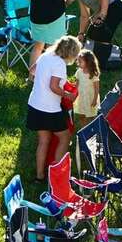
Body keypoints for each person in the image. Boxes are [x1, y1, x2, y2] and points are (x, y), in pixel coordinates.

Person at [27, 35, 81, 181]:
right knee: (65, 137)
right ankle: (56, 175)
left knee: (43, 140)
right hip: (49, 109)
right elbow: (53, 86)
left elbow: (32, 70)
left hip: (34, 104)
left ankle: (40, 175)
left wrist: (42, 79)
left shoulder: (46, 55)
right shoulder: (60, 64)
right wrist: (68, 95)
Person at [71, 0, 122, 73]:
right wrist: (81, 33)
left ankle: (105, 64)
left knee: (103, 34)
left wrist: (101, 16)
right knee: (92, 34)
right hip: (104, 10)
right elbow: (84, 16)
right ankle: (98, 61)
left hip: (116, 7)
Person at [74, 50, 101, 121]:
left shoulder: (93, 74)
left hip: (90, 97)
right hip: (82, 97)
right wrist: (74, 93)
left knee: (91, 114)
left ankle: (92, 127)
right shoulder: (79, 72)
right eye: (78, 61)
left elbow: (96, 88)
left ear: (88, 62)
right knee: (82, 114)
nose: (78, 63)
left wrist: (95, 99)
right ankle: (84, 128)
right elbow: (77, 83)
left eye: (80, 61)